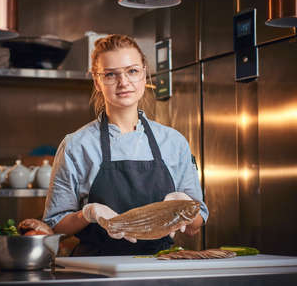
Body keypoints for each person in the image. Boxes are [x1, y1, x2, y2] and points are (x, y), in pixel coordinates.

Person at [43, 34, 208, 256]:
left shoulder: (173, 142)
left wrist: (185, 206)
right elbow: (55, 227)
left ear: (144, 72)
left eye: (132, 71)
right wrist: (87, 214)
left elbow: (195, 226)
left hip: (160, 265)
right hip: (96, 268)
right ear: (97, 81)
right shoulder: (77, 145)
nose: (123, 82)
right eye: (111, 74)